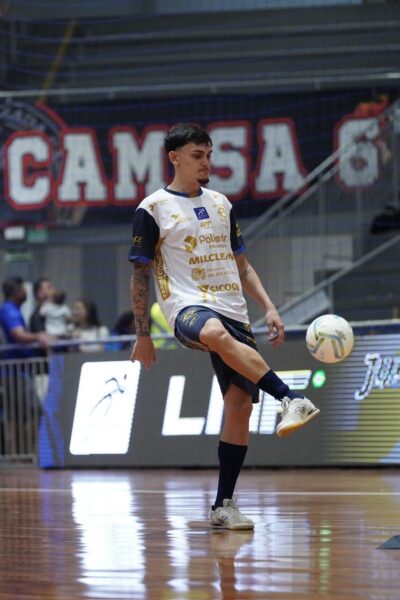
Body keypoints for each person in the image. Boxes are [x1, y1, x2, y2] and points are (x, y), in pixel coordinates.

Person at [128, 123, 320, 530]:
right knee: (213, 333)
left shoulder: (221, 203)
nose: (206, 163)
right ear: (174, 158)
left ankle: (223, 506)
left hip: (234, 309)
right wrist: (143, 334)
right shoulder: (152, 208)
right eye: (197, 155)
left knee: (239, 406)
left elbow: (242, 265)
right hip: (188, 307)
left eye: (209, 155)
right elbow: (140, 275)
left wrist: (269, 306)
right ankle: (290, 397)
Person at [0, 276, 52, 454]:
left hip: (15, 372)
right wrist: (39, 336)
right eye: (23, 288)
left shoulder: (12, 309)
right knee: (33, 412)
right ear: (16, 291)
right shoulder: (9, 310)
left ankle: (20, 455)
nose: (26, 292)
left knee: (15, 416)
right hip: (16, 373)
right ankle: (27, 453)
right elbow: (18, 335)